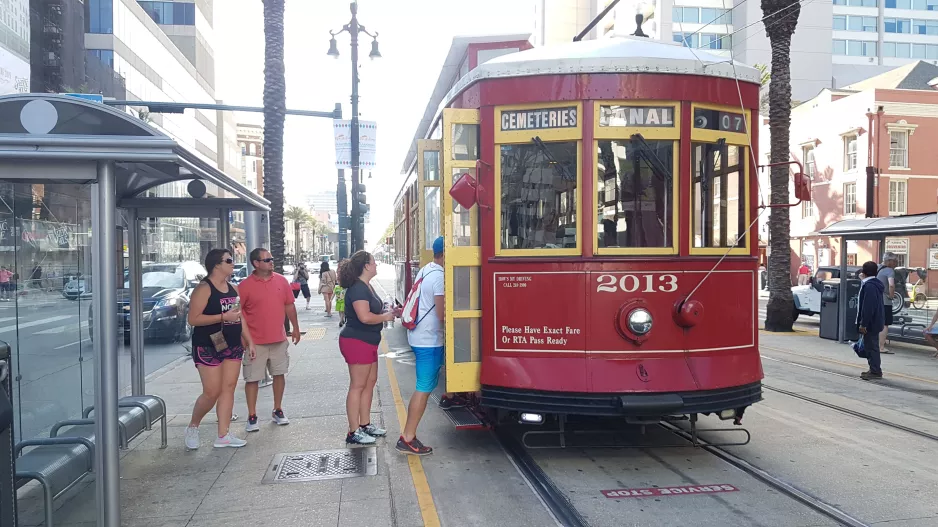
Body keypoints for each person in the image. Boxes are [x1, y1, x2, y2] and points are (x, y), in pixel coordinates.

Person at [185, 249, 253, 449]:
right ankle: (193, 426)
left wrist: (249, 340)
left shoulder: (234, 288)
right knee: (211, 391)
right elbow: (193, 319)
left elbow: (240, 316)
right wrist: (223, 317)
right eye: (229, 260)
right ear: (217, 264)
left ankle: (223, 434)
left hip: (232, 344)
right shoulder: (204, 288)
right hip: (207, 344)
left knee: (228, 387)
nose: (233, 263)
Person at [338, 250, 399, 445]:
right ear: (366, 266)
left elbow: (372, 311)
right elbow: (364, 317)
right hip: (357, 341)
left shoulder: (367, 286)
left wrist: (389, 311)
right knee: (358, 385)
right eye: (373, 262)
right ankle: (353, 431)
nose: (376, 265)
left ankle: (365, 424)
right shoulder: (358, 289)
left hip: (368, 340)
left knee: (370, 382)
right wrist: (385, 317)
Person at [238, 248, 301, 433]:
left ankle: (278, 409)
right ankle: (252, 415)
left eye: (271, 259)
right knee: (252, 379)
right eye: (267, 260)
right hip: (255, 342)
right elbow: (238, 313)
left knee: (279, 374)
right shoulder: (245, 286)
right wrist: (246, 339)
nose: (271, 262)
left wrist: (295, 328)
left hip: (278, 339)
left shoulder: (281, 281)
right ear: (256, 263)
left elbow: (289, 306)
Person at [398, 237, 447, 456]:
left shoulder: (427, 269)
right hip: (428, 340)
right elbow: (441, 313)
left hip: (418, 335)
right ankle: (407, 437)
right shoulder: (439, 277)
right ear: (446, 254)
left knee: (425, 385)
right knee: (424, 388)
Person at [857, 260, 886, 380]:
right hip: (876, 320)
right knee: (870, 345)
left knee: (872, 346)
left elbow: (868, 307)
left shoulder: (869, 286)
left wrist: (864, 323)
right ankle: (873, 368)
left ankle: (875, 370)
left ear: (864, 272)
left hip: (870, 322)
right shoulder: (874, 283)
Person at [877, 252, 898, 354]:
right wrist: (891, 295)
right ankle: (881, 346)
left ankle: (874, 344)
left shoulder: (877, 268)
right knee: (885, 324)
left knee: (876, 322)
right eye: (895, 261)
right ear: (889, 261)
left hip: (875, 299)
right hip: (885, 301)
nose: (896, 263)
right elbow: (891, 285)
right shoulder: (889, 271)